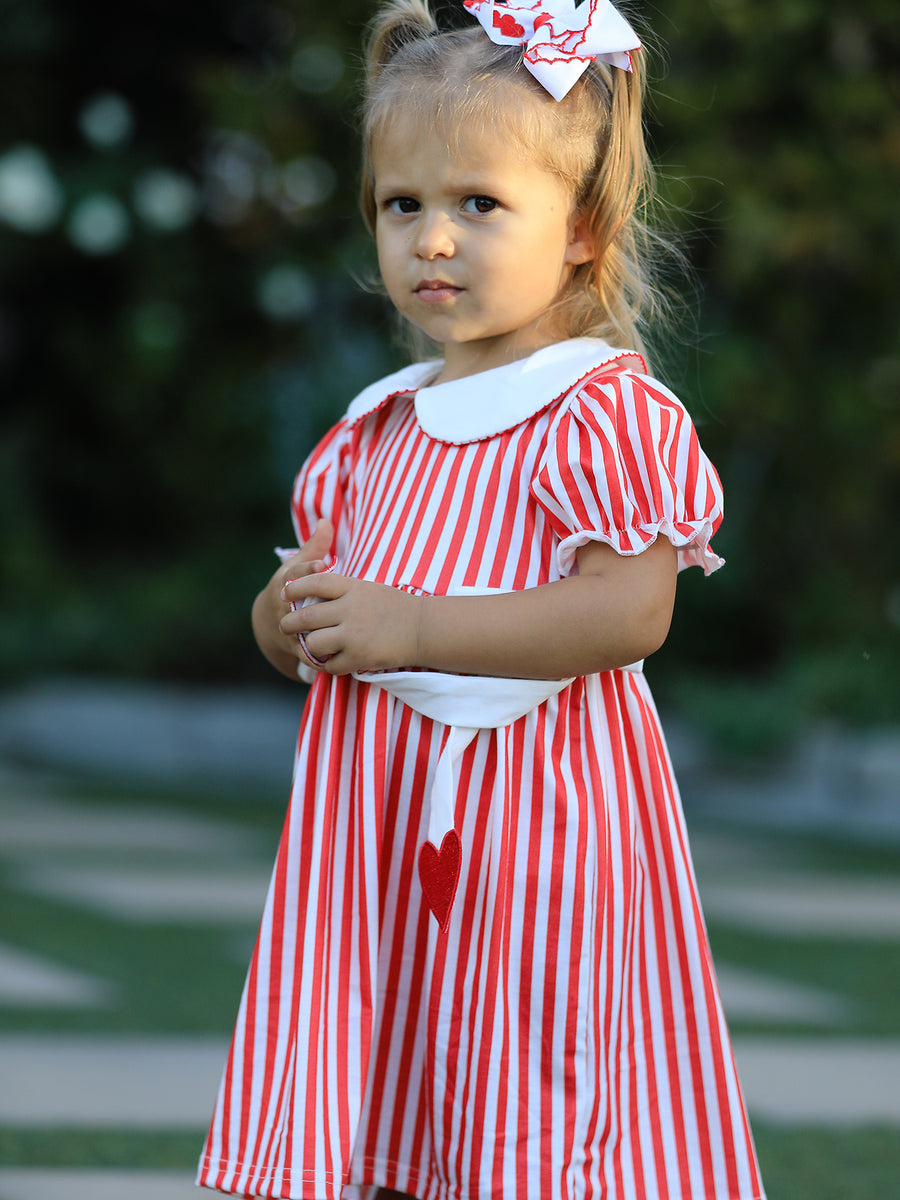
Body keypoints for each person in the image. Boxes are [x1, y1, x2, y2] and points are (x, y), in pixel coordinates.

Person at [198, 0, 766, 1196]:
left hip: (538, 834)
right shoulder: (379, 427)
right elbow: (309, 609)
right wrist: (287, 612)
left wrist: (411, 624)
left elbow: (627, 613)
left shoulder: (600, 411)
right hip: (375, 834)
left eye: (478, 204)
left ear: (582, 228)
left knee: (528, 1089)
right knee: (404, 1076)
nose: (433, 240)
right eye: (404, 205)